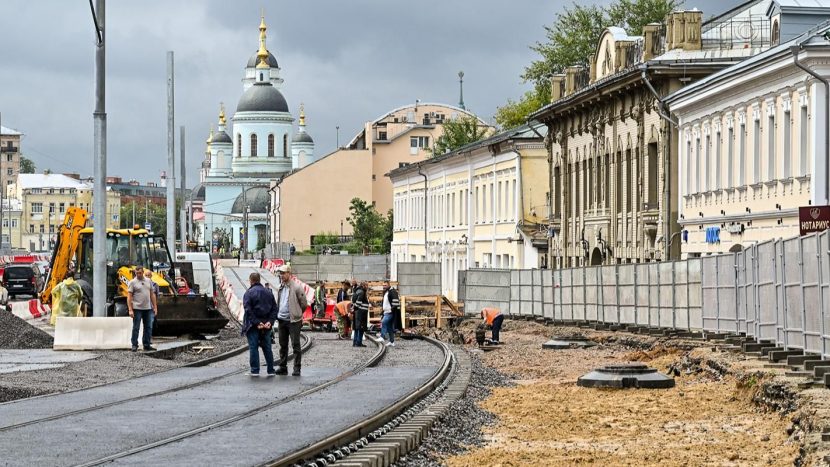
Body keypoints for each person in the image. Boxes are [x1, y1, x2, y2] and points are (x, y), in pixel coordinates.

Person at [241, 272, 278, 376]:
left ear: (251, 280)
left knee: (253, 347)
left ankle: (255, 370)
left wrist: (257, 323)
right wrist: (269, 322)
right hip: (266, 326)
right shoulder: (268, 293)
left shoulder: (248, 293)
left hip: (253, 326)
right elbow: (274, 309)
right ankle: (271, 370)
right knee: (267, 347)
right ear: (259, 280)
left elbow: (248, 310)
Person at [276, 265, 308, 376]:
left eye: (283, 273)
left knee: (295, 344)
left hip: (293, 321)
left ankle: (297, 368)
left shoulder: (297, 287)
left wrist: (297, 313)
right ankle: (283, 366)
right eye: (280, 273)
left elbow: (304, 304)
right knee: (283, 345)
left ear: (289, 274)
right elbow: (279, 301)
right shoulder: (281, 287)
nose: (281, 275)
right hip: (282, 320)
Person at [127, 266, 158, 352]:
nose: (138, 275)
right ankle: (134, 344)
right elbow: (129, 296)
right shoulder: (132, 282)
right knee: (136, 327)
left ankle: (146, 344)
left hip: (148, 308)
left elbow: (152, 294)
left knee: (148, 327)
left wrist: (155, 307)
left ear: (143, 272)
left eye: (140, 273)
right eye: (137, 273)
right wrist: (130, 309)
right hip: (137, 308)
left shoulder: (148, 281)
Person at [379, 280, 400, 347]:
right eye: (383, 285)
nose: (384, 287)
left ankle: (382, 337)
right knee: (389, 327)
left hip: (390, 312)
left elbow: (396, 302)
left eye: (385, 285)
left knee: (384, 322)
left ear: (389, 285)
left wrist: (391, 309)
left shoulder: (392, 291)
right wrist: (383, 310)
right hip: (386, 312)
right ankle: (392, 341)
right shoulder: (386, 292)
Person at [351, 281, 369, 347]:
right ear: (363, 285)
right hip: (361, 312)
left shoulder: (356, 291)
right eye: (366, 285)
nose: (367, 287)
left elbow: (353, 301)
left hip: (357, 312)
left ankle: (355, 342)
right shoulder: (362, 292)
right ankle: (358, 343)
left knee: (356, 327)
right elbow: (358, 302)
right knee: (361, 328)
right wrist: (356, 308)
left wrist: (354, 309)